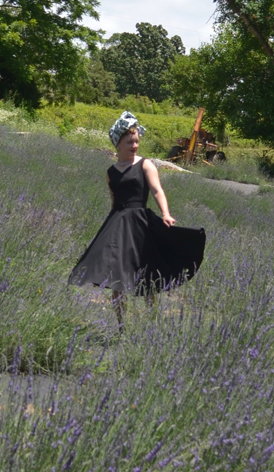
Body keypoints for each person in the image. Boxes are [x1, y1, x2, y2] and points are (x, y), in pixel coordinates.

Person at [68, 110, 206, 325]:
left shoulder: (145, 164)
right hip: (117, 225)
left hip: (140, 224)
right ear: (118, 144)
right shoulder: (110, 172)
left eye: (136, 142)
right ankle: (121, 326)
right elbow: (113, 201)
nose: (135, 146)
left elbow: (157, 190)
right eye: (130, 142)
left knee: (148, 273)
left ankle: (151, 326)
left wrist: (166, 214)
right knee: (116, 279)